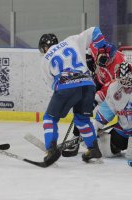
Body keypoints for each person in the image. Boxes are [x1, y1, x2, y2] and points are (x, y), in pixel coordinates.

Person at [38, 27, 110, 165]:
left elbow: (53, 85)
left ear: (45, 47)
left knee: (49, 118)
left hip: (66, 85)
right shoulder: (72, 40)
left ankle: (51, 150)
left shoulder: (45, 59)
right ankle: (93, 149)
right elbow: (95, 31)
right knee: (82, 119)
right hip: (89, 84)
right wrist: (102, 49)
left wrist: (66, 97)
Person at [62, 41, 126, 157]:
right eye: (103, 59)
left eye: (109, 60)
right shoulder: (97, 47)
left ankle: (92, 134)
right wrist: (88, 60)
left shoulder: (119, 63)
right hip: (98, 80)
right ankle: (76, 135)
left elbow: (113, 86)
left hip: (112, 88)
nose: (107, 62)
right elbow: (85, 49)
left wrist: (95, 99)